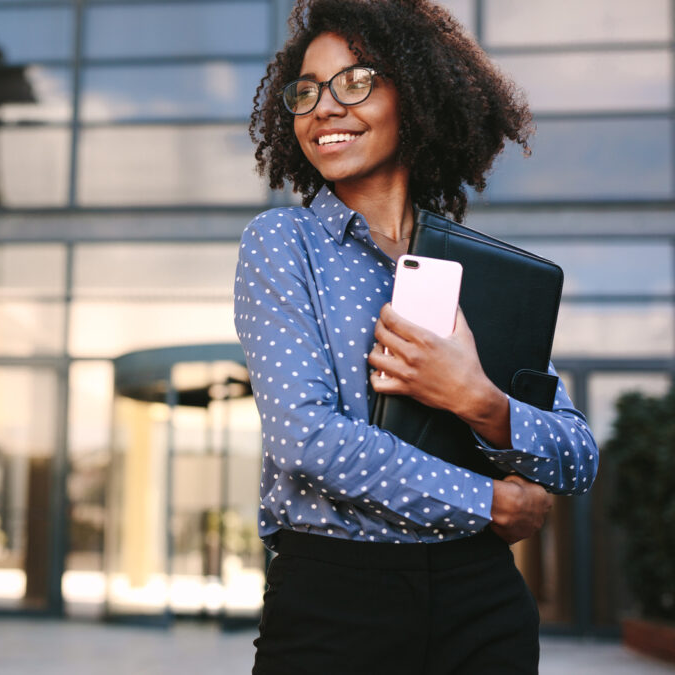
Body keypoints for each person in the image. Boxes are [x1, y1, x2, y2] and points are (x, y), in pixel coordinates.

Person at [233, 1, 599, 673]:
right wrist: (489, 497)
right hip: (335, 603)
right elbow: (306, 440)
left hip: (482, 601)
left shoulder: (478, 274)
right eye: (306, 90)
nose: (324, 107)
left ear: (416, 93)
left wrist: (478, 399)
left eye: (356, 80)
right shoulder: (283, 245)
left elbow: (576, 454)